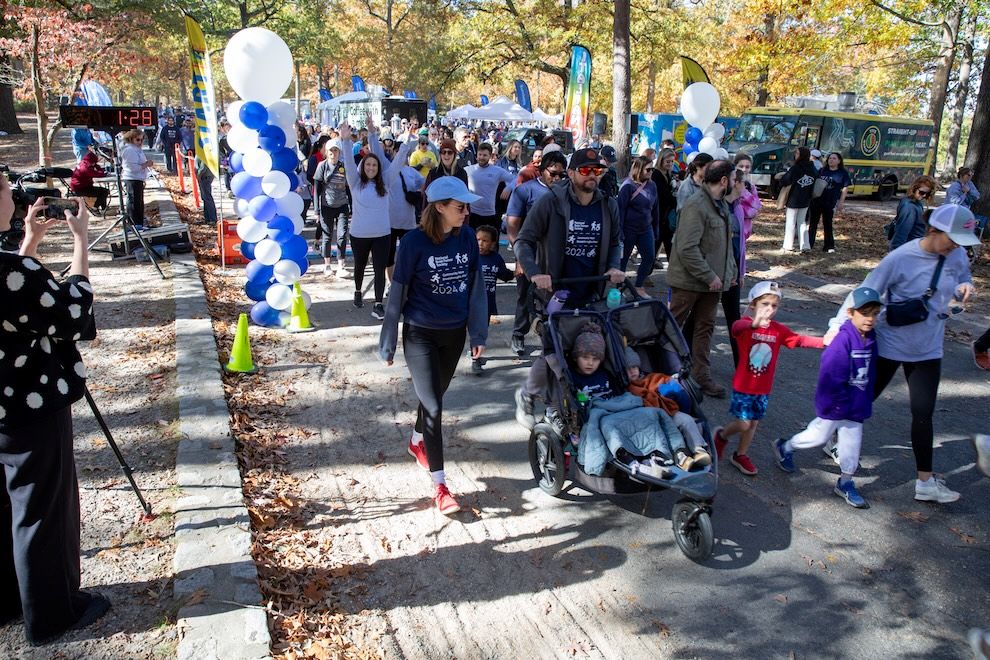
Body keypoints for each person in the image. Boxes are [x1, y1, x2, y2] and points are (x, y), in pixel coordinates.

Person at [0, 185, 111, 646]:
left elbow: (15, 305)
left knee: (6, 506)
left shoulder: (13, 267)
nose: (14, 193)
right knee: (42, 510)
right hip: (30, 406)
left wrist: (29, 247)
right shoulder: (12, 271)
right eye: (6, 189)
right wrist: (82, 242)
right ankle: (51, 615)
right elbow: (72, 313)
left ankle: (13, 600)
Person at [823, 204, 978, 503]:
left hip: (928, 348)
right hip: (891, 345)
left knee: (923, 414)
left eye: (962, 242)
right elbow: (865, 291)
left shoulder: (956, 254)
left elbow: (963, 277)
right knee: (861, 401)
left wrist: (964, 287)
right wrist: (836, 329)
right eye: (953, 239)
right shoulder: (900, 258)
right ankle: (825, 433)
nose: (958, 247)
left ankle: (925, 483)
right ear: (934, 230)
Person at [378, 176, 488, 515]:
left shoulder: (467, 237)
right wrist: (388, 340)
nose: (466, 213)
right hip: (420, 334)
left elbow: (476, 287)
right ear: (439, 207)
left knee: (433, 398)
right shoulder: (413, 243)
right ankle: (441, 486)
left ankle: (416, 441)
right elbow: (397, 293)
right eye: (459, 207)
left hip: (453, 334)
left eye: (467, 206)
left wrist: (478, 333)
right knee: (436, 408)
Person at [513, 148, 625, 429]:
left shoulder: (608, 205)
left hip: (593, 293)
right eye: (586, 170)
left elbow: (615, 243)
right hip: (555, 292)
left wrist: (613, 267)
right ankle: (533, 397)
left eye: (597, 171)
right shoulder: (551, 202)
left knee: (586, 352)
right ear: (572, 173)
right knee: (555, 353)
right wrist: (536, 272)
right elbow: (523, 241)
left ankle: (574, 404)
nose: (592, 176)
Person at [772, 287, 882, 508]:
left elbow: (871, 373)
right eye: (864, 313)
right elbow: (830, 375)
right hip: (835, 405)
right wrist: (832, 404)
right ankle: (786, 446)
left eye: (874, 314)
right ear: (851, 313)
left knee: (852, 445)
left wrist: (866, 398)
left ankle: (846, 481)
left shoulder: (871, 339)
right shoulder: (842, 341)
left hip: (855, 406)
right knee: (817, 437)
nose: (869, 319)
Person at [713, 281, 825, 475]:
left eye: (774, 306)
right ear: (753, 305)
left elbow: (798, 340)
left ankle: (740, 454)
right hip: (744, 386)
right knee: (744, 423)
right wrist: (754, 324)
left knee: (753, 423)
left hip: (763, 388)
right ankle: (721, 436)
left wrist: (824, 342)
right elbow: (736, 328)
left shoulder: (778, 329)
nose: (770, 310)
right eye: (765, 304)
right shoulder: (747, 327)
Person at [666, 159, 738, 399]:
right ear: (724, 180)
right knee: (670, 328)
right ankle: (658, 372)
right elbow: (687, 248)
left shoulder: (720, 204)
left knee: (705, 329)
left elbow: (723, 244)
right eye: (735, 179)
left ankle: (701, 376)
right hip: (689, 282)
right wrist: (709, 276)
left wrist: (731, 273)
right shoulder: (696, 205)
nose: (738, 183)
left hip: (712, 284)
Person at [338, 117, 414, 321]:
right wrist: (345, 140)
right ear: (363, 167)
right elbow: (347, 160)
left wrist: (406, 141)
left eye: (374, 165)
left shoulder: (386, 182)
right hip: (359, 234)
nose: (371, 168)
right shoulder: (355, 182)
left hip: (382, 233)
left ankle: (378, 303)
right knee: (360, 266)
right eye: (368, 165)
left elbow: (398, 162)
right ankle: (357, 291)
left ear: (379, 168)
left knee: (380, 268)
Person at [505, 151, 568, 357]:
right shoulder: (524, 191)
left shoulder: (567, 194)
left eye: (562, 175)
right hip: (529, 255)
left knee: (555, 299)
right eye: (553, 173)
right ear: (542, 171)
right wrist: (520, 258)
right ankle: (518, 333)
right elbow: (513, 227)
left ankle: (554, 337)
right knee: (525, 295)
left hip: (556, 258)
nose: (557, 178)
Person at [617, 155, 659, 297]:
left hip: (646, 228)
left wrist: (656, 227)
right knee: (623, 260)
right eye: (648, 169)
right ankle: (619, 288)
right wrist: (620, 231)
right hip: (629, 229)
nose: (650, 172)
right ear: (639, 170)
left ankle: (639, 285)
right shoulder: (627, 186)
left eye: (652, 169)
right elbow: (620, 209)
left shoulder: (652, 186)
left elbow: (655, 209)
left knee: (649, 258)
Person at [474, 224, 513, 375]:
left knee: (482, 330)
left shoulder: (496, 258)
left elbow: (504, 275)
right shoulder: (471, 257)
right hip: (472, 302)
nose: (480, 243)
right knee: (476, 331)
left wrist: (518, 271)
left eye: (485, 240)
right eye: (478, 240)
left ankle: (476, 353)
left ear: (493, 244)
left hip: (488, 302)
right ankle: (475, 358)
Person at [312, 140, 352, 278]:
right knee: (327, 236)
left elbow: (348, 188)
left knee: (342, 235)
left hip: (342, 206)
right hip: (326, 206)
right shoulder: (321, 166)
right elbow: (316, 190)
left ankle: (341, 265)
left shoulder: (344, 167)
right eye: (331, 150)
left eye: (336, 150)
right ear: (326, 152)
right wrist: (316, 211)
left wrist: (351, 207)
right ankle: (327, 264)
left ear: (339, 152)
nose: (333, 153)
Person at [386, 158, 425, 284]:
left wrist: (418, 194)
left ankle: (407, 283)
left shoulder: (411, 171)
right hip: (390, 221)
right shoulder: (387, 171)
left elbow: (424, 184)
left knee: (408, 255)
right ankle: (390, 284)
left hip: (408, 222)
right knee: (389, 255)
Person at [464, 143, 516, 231]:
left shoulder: (497, 171)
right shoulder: (468, 170)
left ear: (490, 156)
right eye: (480, 154)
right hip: (473, 214)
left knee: (491, 243)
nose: (481, 157)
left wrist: (509, 188)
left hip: (490, 215)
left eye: (485, 155)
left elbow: (516, 179)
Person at [807, 152, 851, 253]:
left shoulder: (842, 173)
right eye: (830, 158)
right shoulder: (822, 170)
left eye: (834, 158)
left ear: (839, 161)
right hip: (817, 201)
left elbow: (845, 188)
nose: (831, 160)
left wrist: (841, 202)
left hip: (830, 202)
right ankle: (809, 243)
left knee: (827, 224)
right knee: (813, 223)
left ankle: (829, 245)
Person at [778, 146, 817, 252]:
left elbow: (785, 180)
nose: (795, 155)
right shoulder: (812, 168)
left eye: (797, 153)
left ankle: (787, 245)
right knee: (802, 222)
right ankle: (805, 245)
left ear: (801, 155)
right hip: (806, 199)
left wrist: (781, 178)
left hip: (793, 198)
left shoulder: (796, 168)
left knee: (790, 222)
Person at [889, 175, 936, 251]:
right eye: (922, 192)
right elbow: (902, 232)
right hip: (908, 248)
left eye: (927, 194)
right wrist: (896, 252)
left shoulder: (916, 203)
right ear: (914, 188)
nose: (924, 196)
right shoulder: (909, 207)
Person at [119, 129, 154, 230]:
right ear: (131, 139)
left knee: (139, 202)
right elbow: (131, 167)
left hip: (138, 178)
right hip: (132, 178)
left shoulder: (137, 149)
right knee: (133, 201)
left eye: (142, 140)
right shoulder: (130, 150)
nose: (140, 142)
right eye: (138, 140)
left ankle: (139, 223)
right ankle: (134, 224)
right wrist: (146, 164)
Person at [650, 148, 678, 266]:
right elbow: (664, 196)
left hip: (665, 218)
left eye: (672, 161)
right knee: (655, 246)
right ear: (661, 160)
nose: (670, 164)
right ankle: (645, 274)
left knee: (669, 247)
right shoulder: (657, 174)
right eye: (668, 161)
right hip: (659, 216)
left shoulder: (668, 174)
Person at [195, 155, 217, 226]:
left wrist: (199, 174)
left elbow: (203, 166)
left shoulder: (203, 150)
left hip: (205, 176)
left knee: (207, 197)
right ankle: (208, 218)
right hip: (205, 176)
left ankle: (212, 219)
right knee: (205, 197)